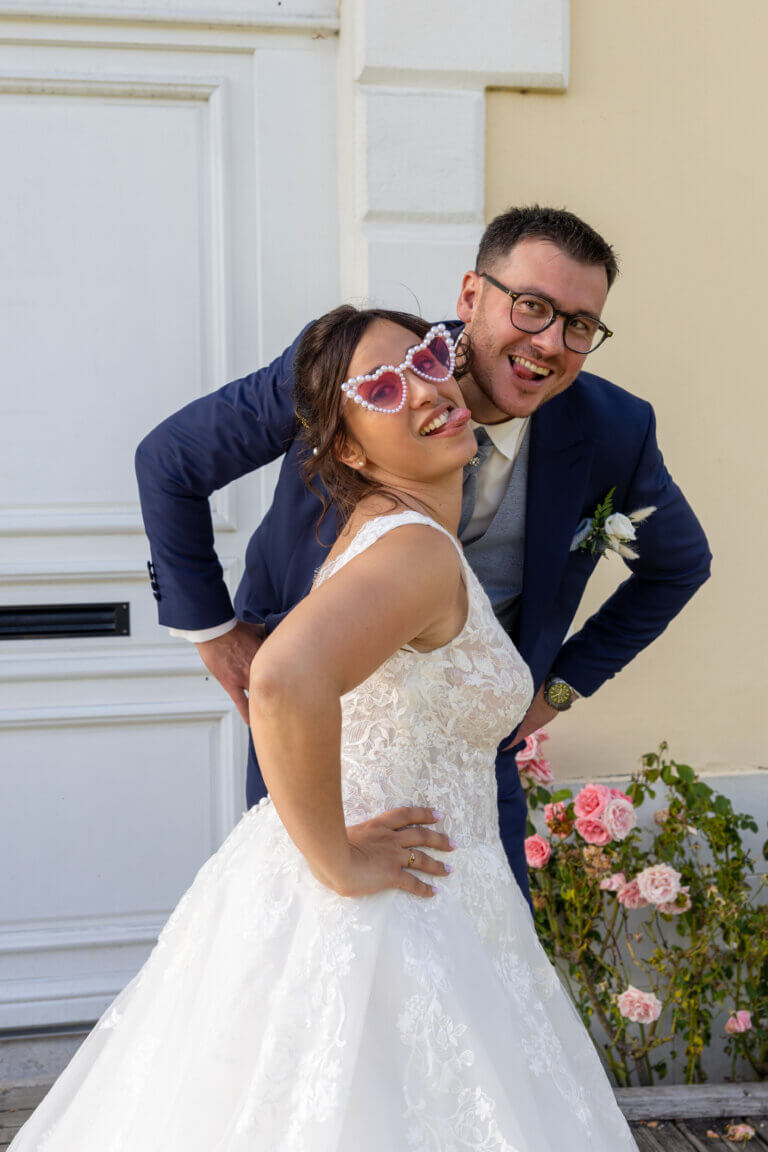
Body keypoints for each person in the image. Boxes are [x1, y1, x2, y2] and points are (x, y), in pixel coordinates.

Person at [10, 309, 639, 1150]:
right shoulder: (415, 551)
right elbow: (283, 678)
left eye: (426, 359)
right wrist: (339, 860)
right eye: (382, 387)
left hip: (424, 892)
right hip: (387, 910)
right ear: (347, 447)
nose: (426, 390)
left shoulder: (386, 528)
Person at [135, 206, 711, 907]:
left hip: (469, 756)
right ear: (471, 295)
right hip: (329, 740)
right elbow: (172, 460)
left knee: (493, 941)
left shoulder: (615, 429)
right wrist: (215, 633)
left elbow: (677, 565)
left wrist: (557, 689)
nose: (550, 343)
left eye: (580, 325)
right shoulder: (355, 364)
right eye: (531, 307)